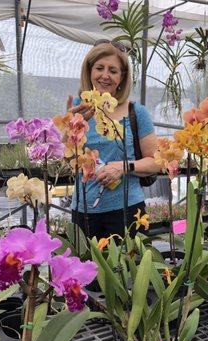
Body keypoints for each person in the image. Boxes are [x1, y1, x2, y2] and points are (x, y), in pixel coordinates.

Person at [68, 41, 160, 240]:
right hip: (84, 209)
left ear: (122, 77)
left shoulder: (137, 113)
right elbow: (67, 156)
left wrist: (123, 167)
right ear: (89, 72)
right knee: (86, 269)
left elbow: (156, 161)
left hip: (127, 209)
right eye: (99, 68)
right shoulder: (79, 108)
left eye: (113, 70)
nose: (105, 75)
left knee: (129, 269)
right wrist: (70, 128)